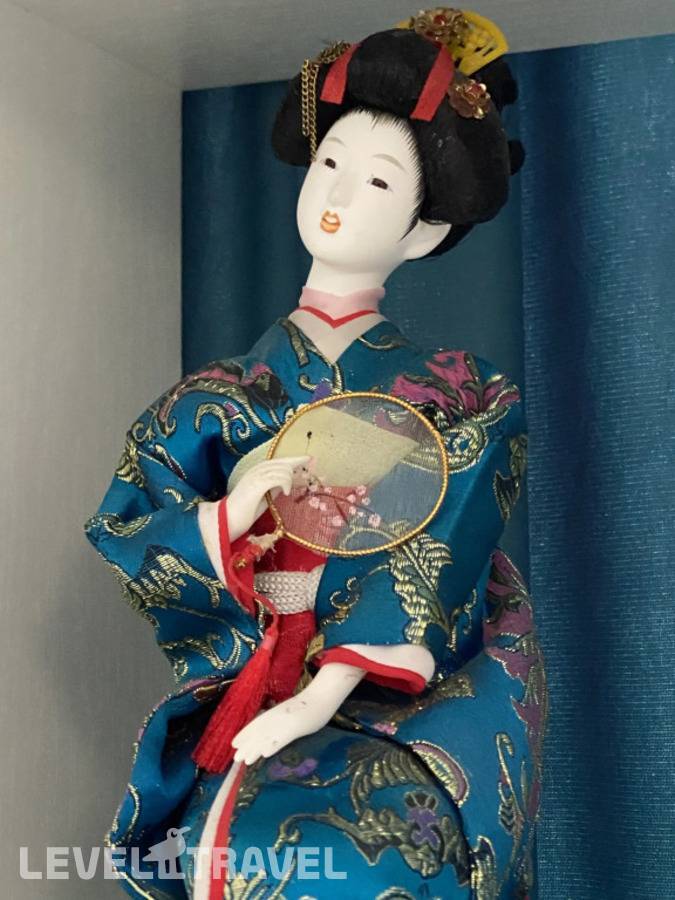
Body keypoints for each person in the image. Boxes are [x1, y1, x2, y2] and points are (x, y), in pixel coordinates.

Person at [85, 9, 548, 898]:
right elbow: (130, 520)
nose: (338, 193)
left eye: (376, 180)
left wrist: (322, 693)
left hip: (405, 709)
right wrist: (227, 517)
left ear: (422, 231)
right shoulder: (216, 397)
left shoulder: (464, 399)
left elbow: (439, 551)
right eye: (329, 163)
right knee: (222, 846)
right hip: (254, 683)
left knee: (358, 851)